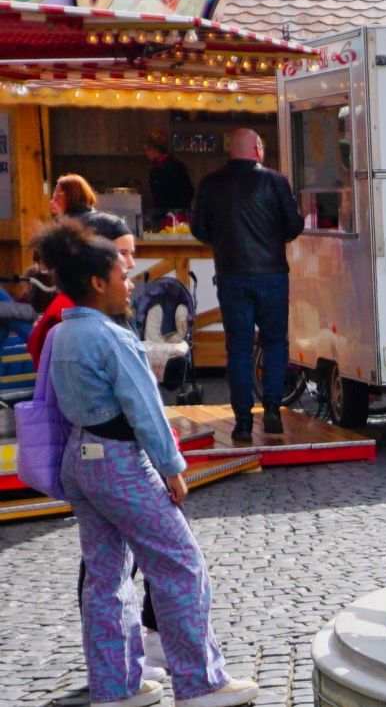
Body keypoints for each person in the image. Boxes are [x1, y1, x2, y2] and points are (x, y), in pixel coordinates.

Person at [39, 219, 258, 707]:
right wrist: (172, 467)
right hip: (120, 462)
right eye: (122, 273)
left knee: (105, 577)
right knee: (180, 565)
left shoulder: (62, 335)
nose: (131, 282)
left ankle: (115, 686)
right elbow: (146, 410)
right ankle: (201, 683)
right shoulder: (113, 339)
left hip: (80, 460)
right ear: (98, 283)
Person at [191, 130, 302, 442]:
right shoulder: (275, 182)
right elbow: (293, 225)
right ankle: (271, 409)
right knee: (275, 344)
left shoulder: (210, 184)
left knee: (238, 349)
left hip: (231, 275)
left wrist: (223, 242)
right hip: (272, 274)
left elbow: (198, 228)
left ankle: (241, 420)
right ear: (257, 149)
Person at [29, 211, 134, 367]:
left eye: (132, 253)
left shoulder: (106, 306)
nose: (131, 263)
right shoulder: (66, 316)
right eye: (122, 253)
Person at [145, 133, 196, 224]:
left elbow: (159, 197)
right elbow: (189, 191)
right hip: (182, 213)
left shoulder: (158, 170)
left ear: (154, 150)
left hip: (166, 215)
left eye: (147, 149)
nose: (146, 153)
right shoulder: (178, 165)